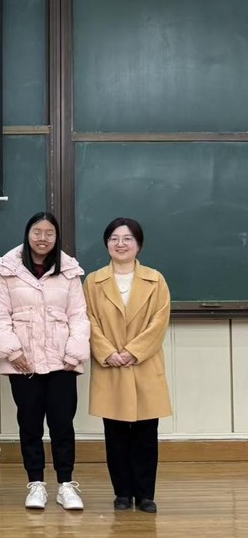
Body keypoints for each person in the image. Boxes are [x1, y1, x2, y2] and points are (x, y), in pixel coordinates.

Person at [0, 212, 90, 511]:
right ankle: (35, 484)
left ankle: (65, 484)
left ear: (56, 237)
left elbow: (79, 316)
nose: (42, 238)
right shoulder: (7, 269)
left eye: (49, 233)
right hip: (23, 363)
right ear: (27, 233)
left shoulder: (69, 271)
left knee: (62, 425)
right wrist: (12, 352)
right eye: (37, 232)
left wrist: (73, 353)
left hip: (62, 362)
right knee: (30, 424)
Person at [83, 218, 171, 514]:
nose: (120, 244)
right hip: (111, 366)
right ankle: (122, 492)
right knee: (116, 434)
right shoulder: (93, 281)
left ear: (138, 244)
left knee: (146, 434)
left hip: (144, 365)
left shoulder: (155, 279)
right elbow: (87, 320)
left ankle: (146, 494)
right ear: (106, 243)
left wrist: (134, 351)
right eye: (114, 238)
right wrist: (107, 352)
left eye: (127, 238)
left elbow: (159, 321)